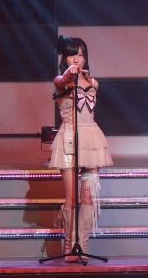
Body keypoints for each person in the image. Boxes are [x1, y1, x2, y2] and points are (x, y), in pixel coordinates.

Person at [49, 35, 113, 261]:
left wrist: (81, 75)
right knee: (71, 198)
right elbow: (62, 80)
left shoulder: (93, 82)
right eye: (72, 55)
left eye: (81, 54)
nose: (78, 58)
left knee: (88, 198)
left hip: (92, 140)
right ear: (64, 58)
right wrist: (70, 74)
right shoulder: (61, 80)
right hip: (69, 139)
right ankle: (69, 246)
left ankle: (82, 246)